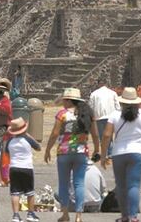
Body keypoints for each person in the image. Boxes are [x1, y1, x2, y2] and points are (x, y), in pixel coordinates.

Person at [100, 87, 141, 222]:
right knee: (134, 185)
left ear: (122, 102)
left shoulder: (115, 115)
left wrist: (103, 155)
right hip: (137, 152)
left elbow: (107, 135)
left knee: (121, 185)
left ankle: (124, 215)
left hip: (119, 153)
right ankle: (133, 216)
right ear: (136, 102)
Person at [44, 87, 99, 222]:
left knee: (64, 183)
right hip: (81, 152)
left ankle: (65, 214)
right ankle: (79, 215)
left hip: (64, 152)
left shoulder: (62, 114)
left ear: (69, 101)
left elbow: (55, 134)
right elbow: (95, 135)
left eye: (64, 100)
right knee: (79, 183)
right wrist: (97, 149)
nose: (63, 102)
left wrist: (48, 149)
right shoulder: (87, 114)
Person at [4, 117, 41, 222]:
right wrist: (29, 136)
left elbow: (6, 153)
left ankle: (15, 215)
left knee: (15, 192)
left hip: (14, 167)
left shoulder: (10, 141)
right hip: (26, 167)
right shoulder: (27, 139)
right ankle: (30, 213)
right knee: (30, 192)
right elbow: (38, 148)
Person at [89, 81, 119, 154]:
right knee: (110, 136)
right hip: (111, 118)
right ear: (106, 84)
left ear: (99, 84)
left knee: (101, 136)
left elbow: (90, 107)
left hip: (99, 118)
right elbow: (117, 107)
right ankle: (110, 152)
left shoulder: (94, 94)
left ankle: (104, 152)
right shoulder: (113, 93)